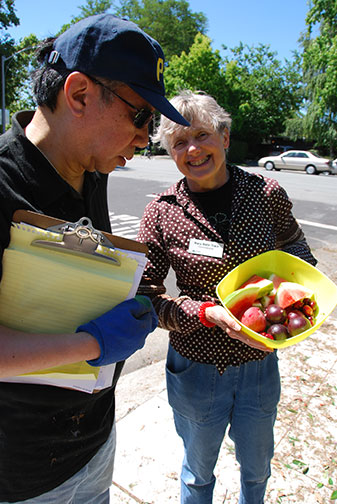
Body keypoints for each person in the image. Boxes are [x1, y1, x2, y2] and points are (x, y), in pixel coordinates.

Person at [0, 14, 189, 504]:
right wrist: (91, 343)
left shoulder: (92, 170)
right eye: (141, 115)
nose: (147, 137)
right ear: (80, 93)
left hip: (94, 445)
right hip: (20, 475)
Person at [137, 90, 317, 504]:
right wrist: (201, 313)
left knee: (257, 470)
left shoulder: (265, 193)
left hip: (259, 362)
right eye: (179, 142)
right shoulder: (161, 211)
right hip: (196, 367)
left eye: (202, 135)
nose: (193, 149)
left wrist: (305, 301)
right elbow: (145, 296)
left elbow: (297, 249)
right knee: (198, 474)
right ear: (169, 152)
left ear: (225, 138)